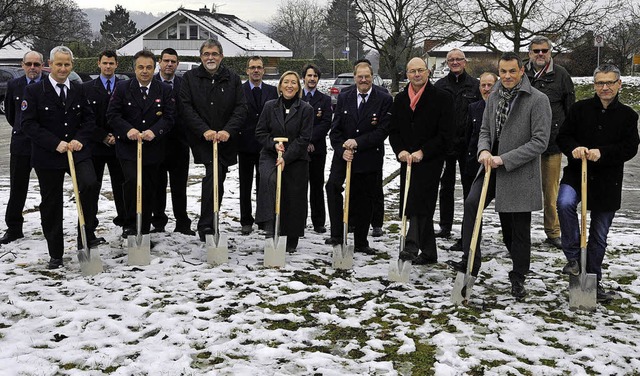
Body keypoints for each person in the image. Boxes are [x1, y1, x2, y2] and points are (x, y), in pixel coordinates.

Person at [447, 52, 551, 298]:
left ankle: (518, 275)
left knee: (516, 228)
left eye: (512, 71)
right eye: (503, 71)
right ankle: (471, 260)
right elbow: (484, 129)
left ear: (521, 71)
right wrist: (484, 149)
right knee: (472, 204)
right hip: (490, 167)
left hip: (518, 170)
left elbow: (540, 142)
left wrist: (505, 159)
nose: (507, 76)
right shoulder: (494, 96)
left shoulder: (537, 99)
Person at [556, 63, 639, 303]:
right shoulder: (580, 109)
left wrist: (602, 152)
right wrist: (574, 148)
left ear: (619, 84)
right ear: (594, 85)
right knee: (564, 203)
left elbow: (630, 148)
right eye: (600, 83)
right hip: (576, 174)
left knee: (599, 235)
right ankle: (573, 258)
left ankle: (592, 280)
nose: (605, 87)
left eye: (610, 82)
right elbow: (563, 136)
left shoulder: (628, 115)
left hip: (607, 181)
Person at [21, 46, 101, 269]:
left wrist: (79, 139)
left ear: (72, 65)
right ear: (50, 64)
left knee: (90, 184)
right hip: (48, 154)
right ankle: (55, 252)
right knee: (52, 202)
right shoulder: (35, 91)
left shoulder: (79, 89)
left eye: (67, 64)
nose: (63, 68)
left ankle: (85, 236)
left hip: (77, 150)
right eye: (59, 64)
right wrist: (54, 143)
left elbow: (89, 120)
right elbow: (28, 124)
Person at [180, 39, 246, 242]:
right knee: (214, 175)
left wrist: (228, 131)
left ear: (221, 57)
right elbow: (185, 107)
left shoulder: (232, 79)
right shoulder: (190, 78)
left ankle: (210, 218)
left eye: (215, 54)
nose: (211, 57)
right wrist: (204, 130)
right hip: (202, 140)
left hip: (225, 141)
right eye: (207, 54)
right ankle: (207, 224)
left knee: (218, 177)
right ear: (201, 57)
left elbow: (241, 108)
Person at [325, 61, 393, 254]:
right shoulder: (344, 97)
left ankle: (361, 241)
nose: (363, 80)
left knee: (364, 198)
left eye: (367, 76)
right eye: (360, 76)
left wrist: (358, 142)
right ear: (354, 78)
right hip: (344, 156)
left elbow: (382, 131)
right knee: (332, 187)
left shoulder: (384, 99)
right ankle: (338, 233)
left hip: (368, 156)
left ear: (372, 77)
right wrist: (341, 149)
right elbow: (335, 130)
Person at [389, 57, 452, 264]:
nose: (417, 74)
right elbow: (394, 131)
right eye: (412, 71)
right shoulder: (399, 100)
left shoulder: (441, 98)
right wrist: (400, 151)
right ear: (406, 74)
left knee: (421, 200)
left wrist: (423, 151)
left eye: (420, 70)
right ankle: (429, 252)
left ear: (428, 72)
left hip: (430, 160)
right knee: (412, 199)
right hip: (407, 159)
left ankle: (411, 244)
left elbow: (445, 133)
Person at [107, 49, 175, 239]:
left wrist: (155, 131)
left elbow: (170, 118)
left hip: (152, 148)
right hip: (128, 149)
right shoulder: (122, 88)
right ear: (134, 68)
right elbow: (112, 115)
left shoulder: (164, 89)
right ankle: (129, 223)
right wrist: (127, 130)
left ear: (155, 68)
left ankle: (144, 227)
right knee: (132, 183)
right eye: (140, 67)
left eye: (149, 67)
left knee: (148, 187)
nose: (144, 71)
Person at [525, 36, 575, 249]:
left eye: (544, 50)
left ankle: (553, 232)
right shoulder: (522, 73)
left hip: (552, 144)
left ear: (550, 52)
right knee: (525, 191)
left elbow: (570, 109)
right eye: (536, 51)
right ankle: (521, 233)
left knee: (551, 191)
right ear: (529, 53)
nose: (540, 54)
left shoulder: (561, 75)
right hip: (525, 145)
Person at [254, 71, 313, 252]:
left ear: (298, 86)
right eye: (286, 82)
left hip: (296, 158)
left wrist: (286, 157)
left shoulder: (306, 109)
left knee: (293, 193)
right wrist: (274, 145)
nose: (289, 85)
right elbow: (260, 132)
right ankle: (270, 226)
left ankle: (291, 236)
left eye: (293, 82)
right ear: (280, 86)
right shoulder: (269, 106)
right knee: (270, 180)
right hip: (271, 154)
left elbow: (304, 139)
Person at [433, 48, 480, 239]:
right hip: (446, 145)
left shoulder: (475, 86)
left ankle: (468, 230)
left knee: (469, 189)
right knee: (446, 187)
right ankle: (445, 226)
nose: (455, 62)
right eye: (451, 60)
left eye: (458, 59)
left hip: (468, 145)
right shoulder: (439, 85)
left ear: (465, 62)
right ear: (447, 63)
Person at [449, 72, 498, 253]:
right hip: (473, 164)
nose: (486, 89)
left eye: (490, 85)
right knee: (471, 204)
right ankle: (467, 242)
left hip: (498, 165)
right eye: (483, 85)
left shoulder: (503, 108)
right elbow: (470, 136)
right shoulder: (474, 108)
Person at [1, 51, 46, 245]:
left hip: (45, 145)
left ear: (43, 65)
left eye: (36, 64)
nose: (33, 68)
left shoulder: (48, 85)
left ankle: (49, 226)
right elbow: (12, 115)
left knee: (48, 189)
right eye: (29, 64)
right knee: (18, 188)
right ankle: (13, 228)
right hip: (21, 145)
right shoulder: (14, 85)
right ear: (22, 65)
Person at [150, 48, 195, 235]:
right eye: (166, 60)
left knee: (179, 186)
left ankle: (182, 222)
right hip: (156, 143)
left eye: (173, 61)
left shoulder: (184, 84)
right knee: (157, 185)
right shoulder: (150, 84)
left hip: (179, 144)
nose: (169, 64)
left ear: (177, 64)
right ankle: (158, 221)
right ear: (159, 62)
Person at [83, 50, 126, 236]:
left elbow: (127, 115)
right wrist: (102, 136)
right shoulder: (86, 88)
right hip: (95, 146)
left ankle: (126, 222)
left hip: (119, 145)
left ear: (117, 64)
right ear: (98, 63)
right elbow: (85, 118)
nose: (108, 66)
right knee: (92, 187)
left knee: (122, 186)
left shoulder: (125, 87)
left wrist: (117, 135)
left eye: (111, 63)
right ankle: (89, 225)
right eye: (105, 63)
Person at [238, 56, 278, 235]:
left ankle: (263, 219)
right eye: (252, 67)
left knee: (264, 184)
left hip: (266, 146)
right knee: (245, 185)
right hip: (245, 144)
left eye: (259, 67)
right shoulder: (240, 90)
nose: (256, 70)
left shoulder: (272, 91)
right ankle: (246, 220)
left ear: (263, 70)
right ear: (247, 70)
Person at [301, 64, 332, 234]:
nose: (312, 79)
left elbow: (326, 123)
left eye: (315, 76)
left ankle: (319, 221)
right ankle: (299, 220)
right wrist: (304, 142)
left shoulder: (324, 100)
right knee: (299, 186)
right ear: (304, 77)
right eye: (309, 75)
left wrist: (311, 140)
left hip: (317, 149)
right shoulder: (296, 97)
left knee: (317, 185)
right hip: (298, 149)